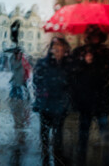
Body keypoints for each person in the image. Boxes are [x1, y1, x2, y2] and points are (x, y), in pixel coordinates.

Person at [71, 25, 109, 165]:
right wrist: (83, 62)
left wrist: (108, 61)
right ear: (87, 37)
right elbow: (72, 71)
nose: (95, 39)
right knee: (83, 134)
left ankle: (106, 160)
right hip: (85, 99)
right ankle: (81, 159)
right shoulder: (79, 52)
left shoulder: (107, 52)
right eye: (92, 35)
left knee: (105, 133)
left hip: (102, 98)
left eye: (97, 35)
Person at [32, 37, 72, 165]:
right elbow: (36, 81)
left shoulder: (68, 65)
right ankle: (45, 156)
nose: (58, 49)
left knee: (58, 134)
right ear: (51, 49)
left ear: (65, 49)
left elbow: (72, 84)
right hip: (46, 103)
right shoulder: (43, 63)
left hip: (60, 105)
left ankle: (57, 157)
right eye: (55, 46)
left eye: (60, 46)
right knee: (44, 131)